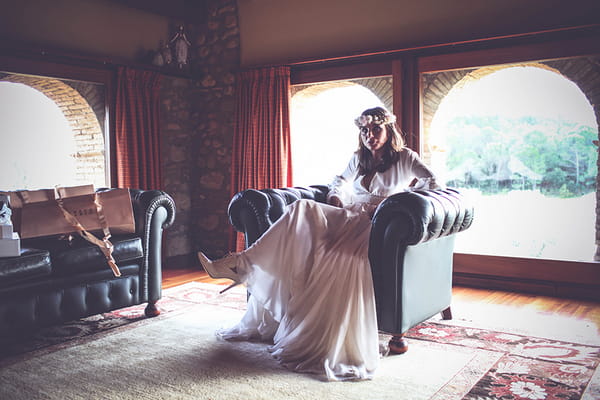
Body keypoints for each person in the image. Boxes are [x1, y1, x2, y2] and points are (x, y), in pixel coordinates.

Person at [198, 106, 439, 381]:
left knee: (335, 256)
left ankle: (241, 265)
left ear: (388, 130)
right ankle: (240, 262)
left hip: (372, 225)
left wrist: (395, 200)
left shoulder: (405, 158)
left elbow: (432, 180)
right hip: (347, 214)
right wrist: (335, 195)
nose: (369, 135)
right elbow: (338, 181)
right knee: (301, 208)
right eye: (364, 130)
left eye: (375, 129)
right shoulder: (359, 158)